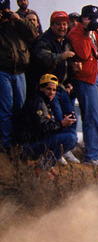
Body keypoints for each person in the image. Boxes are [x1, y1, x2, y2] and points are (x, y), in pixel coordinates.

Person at [68, 4, 98, 167]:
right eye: (89, 18)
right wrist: (87, 32)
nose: (92, 21)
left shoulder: (97, 31)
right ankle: (91, 156)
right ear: (82, 19)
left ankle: (96, 154)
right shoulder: (76, 32)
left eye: (95, 18)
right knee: (91, 117)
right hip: (85, 79)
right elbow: (82, 53)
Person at [28, 10, 78, 163]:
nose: (63, 27)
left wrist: (71, 74)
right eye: (59, 24)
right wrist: (60, 56)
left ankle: (66, 149)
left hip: (61, 87)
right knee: (56, 119)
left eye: (65, 24)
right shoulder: (44, 40)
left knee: (71, 118)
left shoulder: (65, 41)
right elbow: (41, 57)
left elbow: (66, 65)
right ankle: (56, 152)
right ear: (52, 25)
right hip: (47, 88)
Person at [16, 73, 77, 168]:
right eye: (48, 89)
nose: (51, 92)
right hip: (27, 147)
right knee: (70, 138)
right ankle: (42, 168)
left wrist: (63, 124)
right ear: (41, 88)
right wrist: (61, 124)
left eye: (54, 90)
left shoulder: (46, 102)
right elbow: (43, 127)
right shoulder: (38, 101)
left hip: (36, 142)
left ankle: (46, 164)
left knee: (71, 132)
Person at [1, 0, 38, 150]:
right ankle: (7, 143)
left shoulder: (16, 24)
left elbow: (33, 34)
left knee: (20, 108)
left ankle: (19, 141)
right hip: (3, 71)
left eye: (5, 10)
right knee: (6, 109)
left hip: (20, 72)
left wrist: (18, 19)